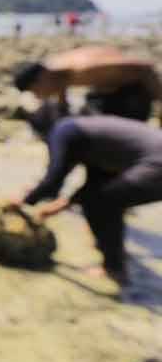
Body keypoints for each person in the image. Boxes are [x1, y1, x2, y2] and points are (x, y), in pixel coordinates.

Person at [17, 102, 162, 285]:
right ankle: (114, 255)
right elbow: (94, 185)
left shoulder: (62, 132)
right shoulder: (88, 132)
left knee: (102, 205)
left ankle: (114, 269)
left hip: (157, 165)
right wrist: (60, 206)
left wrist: (22, 201)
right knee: (103, 201)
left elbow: (53, 181)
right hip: (155, 161)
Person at [12, 44, 162, 123]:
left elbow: (144, 67)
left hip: (133, 94)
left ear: (39, 81)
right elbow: (61, 94)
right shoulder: (55, 74)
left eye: (35, 92)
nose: (39, 97)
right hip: (107, 92)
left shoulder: (82, 68)